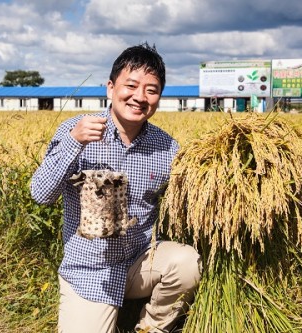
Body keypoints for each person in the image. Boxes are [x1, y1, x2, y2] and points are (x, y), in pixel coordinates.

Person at [30, 42, 202, 333]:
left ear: (159, 97)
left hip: (140, 262)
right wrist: (75, 142)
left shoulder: (167, 147)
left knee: (187, 264)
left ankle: (151, 327)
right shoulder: (77, 131)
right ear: (111, 88)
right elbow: (41, 194)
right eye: (131, 85)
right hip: (90, 273)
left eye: (151, 89)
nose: (140, 97)